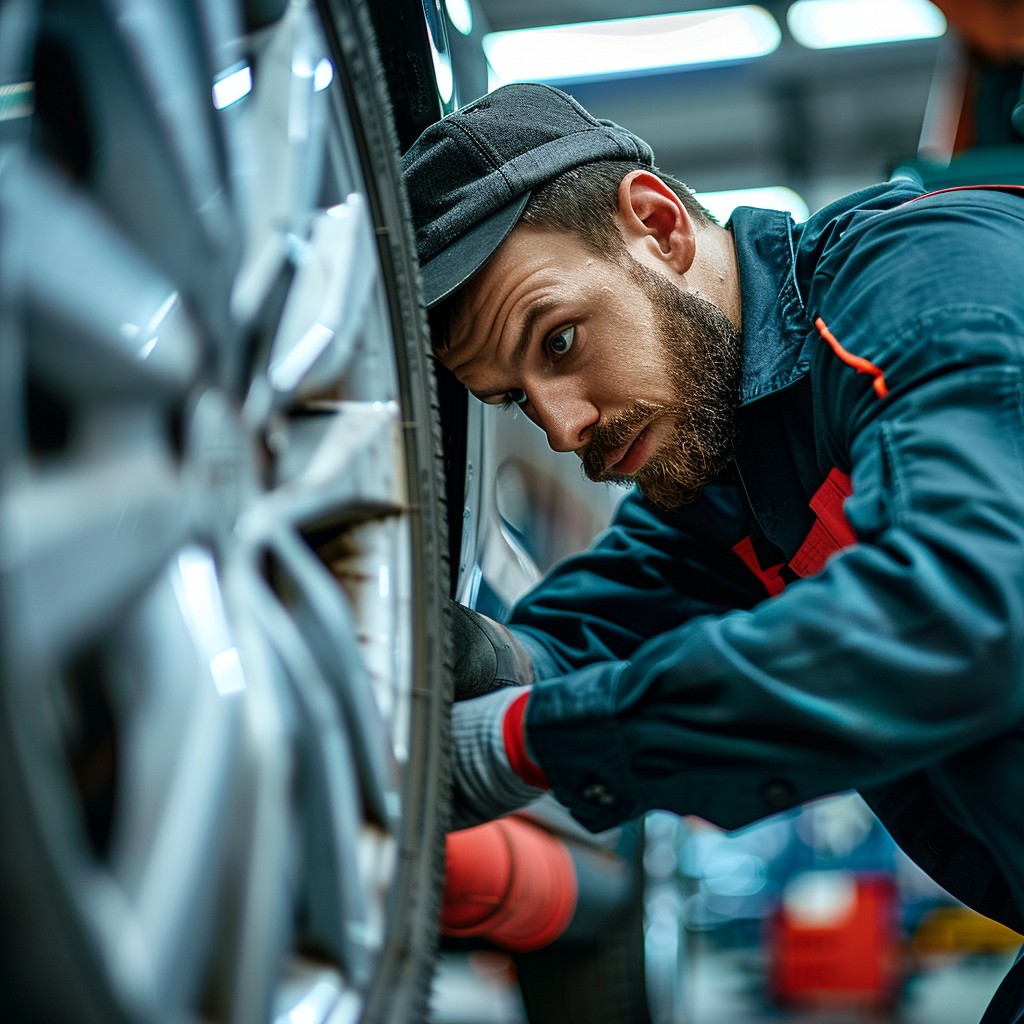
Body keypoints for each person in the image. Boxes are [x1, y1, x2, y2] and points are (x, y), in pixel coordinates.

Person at [401, 82, 1024, 1020]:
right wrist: (418, 664)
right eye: (517, 398)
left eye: (560, 340)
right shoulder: (728, 477)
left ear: (657, 226)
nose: (564, 429)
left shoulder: (921, 281)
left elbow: (967, 604)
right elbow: (572, 643)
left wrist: (534, 742)